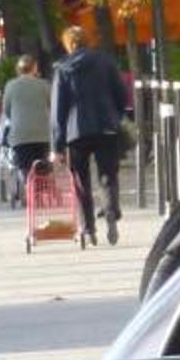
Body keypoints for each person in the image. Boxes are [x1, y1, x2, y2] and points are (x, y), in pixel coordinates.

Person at [51, 25, 132, 247]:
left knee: (80, 180)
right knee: (108, 174)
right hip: (106, 126)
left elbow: (58, 109)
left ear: (68, 44)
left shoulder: (62, 68)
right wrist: (115, 115)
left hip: (76, 131)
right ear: (88, 41)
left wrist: (57, 145)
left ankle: (88, 228)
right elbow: (122, 94)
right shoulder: (106, 62)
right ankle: (110, 210)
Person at [1, 51, 55, 179]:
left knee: (25, 170)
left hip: (20, 136)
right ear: (34, 68)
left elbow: (7, 110)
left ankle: (27, 186)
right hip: (43, 135)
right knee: (43, 171)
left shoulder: (10, 85)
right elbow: (53, 107)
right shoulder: (44, 85)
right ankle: (41, 187)